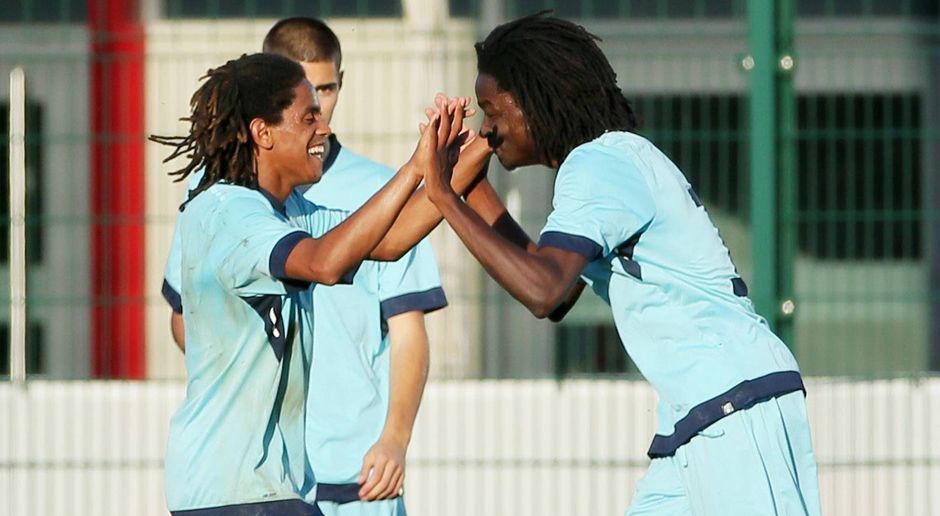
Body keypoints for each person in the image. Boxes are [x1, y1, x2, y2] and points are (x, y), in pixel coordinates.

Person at [424, 14, 822, 516]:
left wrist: (439, 192)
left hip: (733, 401)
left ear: (533, 101)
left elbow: (543, 289)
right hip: (699, 416)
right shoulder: (610, 161)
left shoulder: (598, 164)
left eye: (491, 110)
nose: (487, 129)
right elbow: (556, 292)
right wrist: (470, 186)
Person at [160, 18, 492, 516]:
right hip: (233, 492)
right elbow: (325, 263)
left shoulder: (289, 210)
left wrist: (482, 142)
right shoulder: (227, 211)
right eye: (308, 117)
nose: (325, 127)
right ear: (262, 133)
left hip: (277, 490)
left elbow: (389, 240)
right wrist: (413, 169)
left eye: (325, 105)